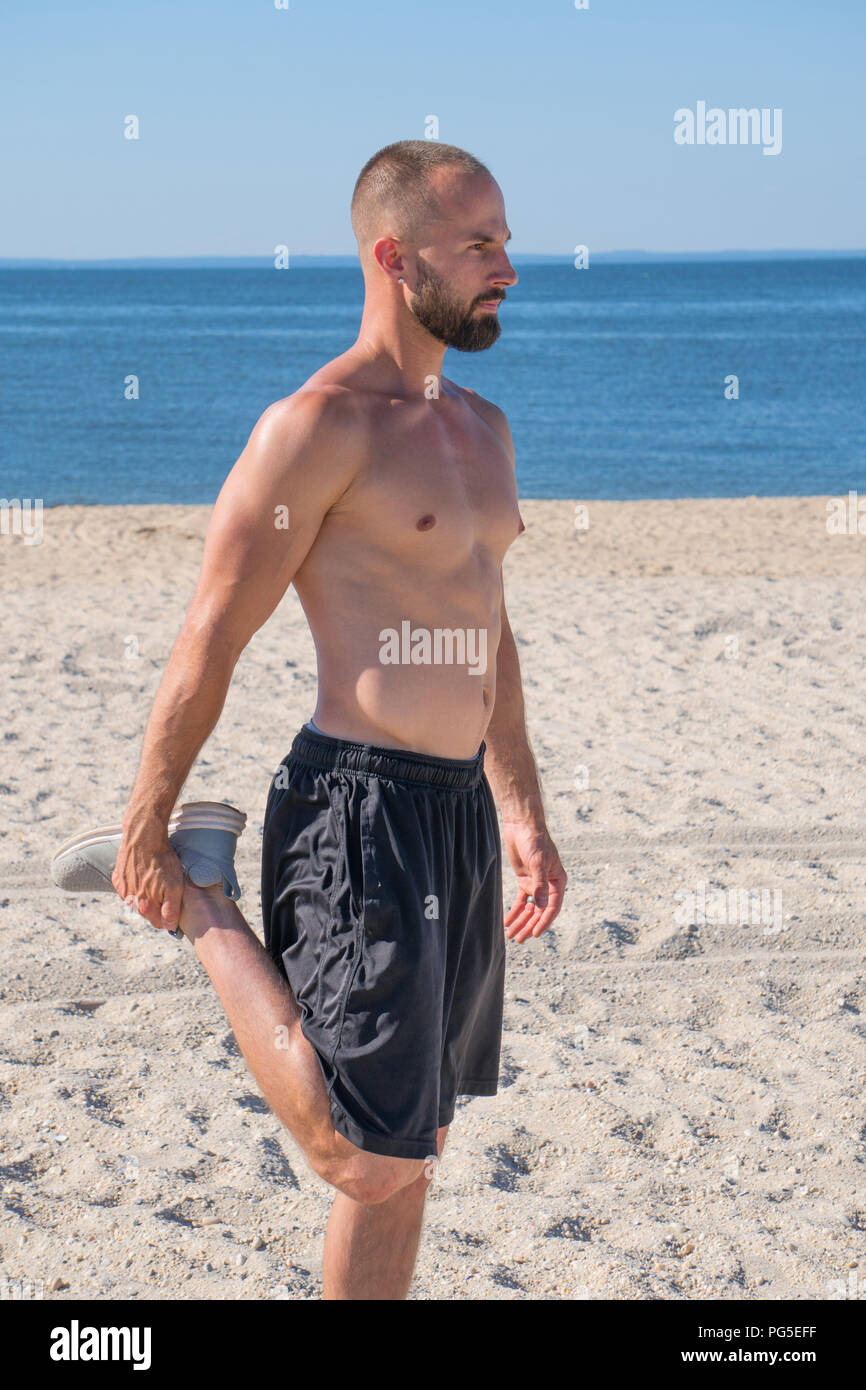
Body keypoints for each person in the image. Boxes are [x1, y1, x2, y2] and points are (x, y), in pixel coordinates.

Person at [91, 141, 566, 1298]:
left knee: (416, 1150)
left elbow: (486, 628)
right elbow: (214, 631)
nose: (508, 265)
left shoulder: (484, 430)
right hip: (355, 806)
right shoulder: (317, 428)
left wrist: (520, 806)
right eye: (479, 244)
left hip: (452, 805)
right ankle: (209, 902)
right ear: (394, 258)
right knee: (359, 1152)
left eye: (504, 238)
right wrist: (146, 820)